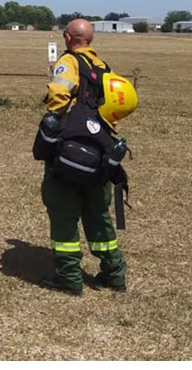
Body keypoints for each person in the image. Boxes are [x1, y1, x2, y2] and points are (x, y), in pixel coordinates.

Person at [37, 18, 136, 295]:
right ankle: (114, 273)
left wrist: (56, 119)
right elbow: (122, 102)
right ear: (90, 40)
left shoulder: (68, 63)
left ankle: (69, 277)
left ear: (68, 38)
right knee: (98, 213)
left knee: (64, 211)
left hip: (70, 148)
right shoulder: (103, 67)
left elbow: (58, 91)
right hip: (99, 149)